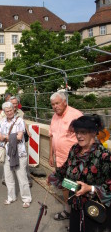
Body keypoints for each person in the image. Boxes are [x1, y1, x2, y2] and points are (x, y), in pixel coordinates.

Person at [48, 115, 111, 232]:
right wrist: (54, 177)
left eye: (83, 132)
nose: (79, 135)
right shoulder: (74, 150)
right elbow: (64, 170)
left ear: (93, 133)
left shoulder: (104, 155)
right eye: (77, 132)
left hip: (95, 213)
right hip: (77, 209)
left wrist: (91, 188)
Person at [49, 91, 82, 220]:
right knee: (64, 184)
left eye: (57, 103)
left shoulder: (76, 115)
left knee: (75, 186)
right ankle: (68, 211)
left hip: (74, 160)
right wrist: (51, 155)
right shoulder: (54, 117)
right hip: (60, 159)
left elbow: (84, 138)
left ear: (64, 102)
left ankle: (77, 216)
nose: (55, 106)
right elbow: (52, 136)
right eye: (52, 104)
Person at [0, 102, 32, 208]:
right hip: (7, 153)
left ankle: (26, 199)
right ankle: (11, 197)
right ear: (4, 112)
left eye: (10, 110)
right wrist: (10, 136)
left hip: (19, 153)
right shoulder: (2, 122)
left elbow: (19, 137)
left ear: (14, 110)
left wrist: (5, 137)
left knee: (22, 177)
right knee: (8, 178)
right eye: (6, 111)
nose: (9, 113)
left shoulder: (19, 121)